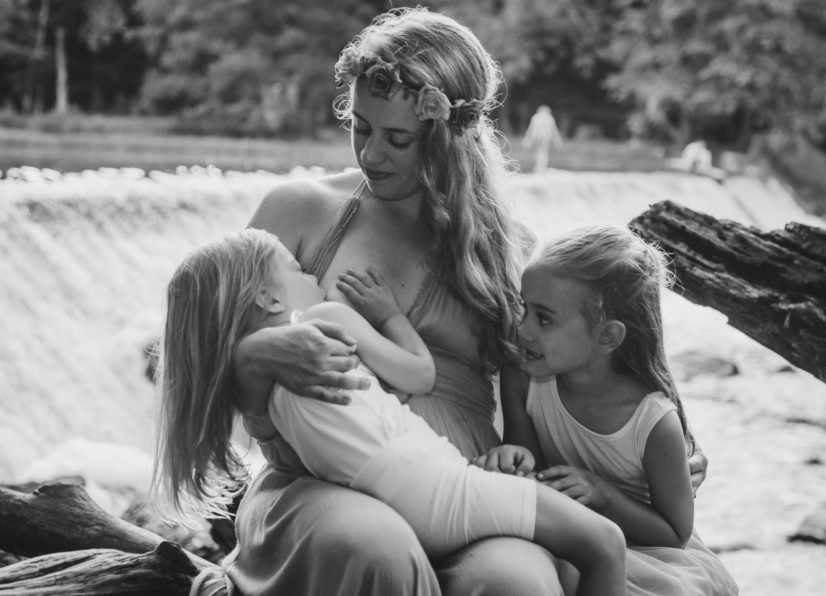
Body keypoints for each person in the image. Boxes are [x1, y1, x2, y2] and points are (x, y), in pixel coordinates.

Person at [219, 7, 708, 595]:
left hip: (466, 478)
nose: (370, 155)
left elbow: (569, 371)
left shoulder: (508, 251)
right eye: (361, 127)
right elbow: (201, 353)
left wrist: (647, 456)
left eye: (397, 139)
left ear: (451, 138)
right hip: (318, 473)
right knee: (374, 546)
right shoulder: (296, 213)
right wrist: (255, 359)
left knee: (517, 583)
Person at [155, 228, 627, 596]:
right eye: (298, 270)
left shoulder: (264, 392)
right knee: (604, 544)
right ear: (270, 299)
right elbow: (420, 376)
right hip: (445, 490)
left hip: (403, 502)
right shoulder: (327, 321)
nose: (314, 279)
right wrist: (387, 315)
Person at [476, 225, 739, 596]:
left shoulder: (652, 420)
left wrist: (601, 494)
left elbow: (675, 533)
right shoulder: (522, 376)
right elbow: (529, 468)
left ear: (608, 337)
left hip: (647, 556)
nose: (523, 330)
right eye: (525, 309)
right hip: (564, 530)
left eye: (544, 318)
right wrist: (511, 459)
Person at [523, 104, 563, 173]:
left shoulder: (535, 117)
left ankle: (538, 167)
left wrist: (527, 139)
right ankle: (542, 167)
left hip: (537, 137)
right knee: (543, 152)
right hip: (545, 137)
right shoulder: (549, 117)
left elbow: (531, 129)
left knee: (538, 152)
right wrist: (558, 141)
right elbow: (554, 130)